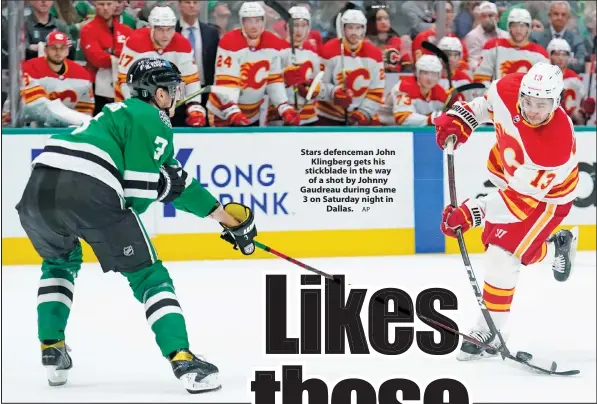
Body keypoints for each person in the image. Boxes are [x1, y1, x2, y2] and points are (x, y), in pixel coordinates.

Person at [15, 57, 258, 393]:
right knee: (148, 275)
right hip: (89, 186)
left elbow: (179, 183)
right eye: (172, 89)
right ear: (158, 94)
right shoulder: (153, 119)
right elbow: (138, 199)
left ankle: (51, 347)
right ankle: (183, 359)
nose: (176, 95)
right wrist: (165, 187)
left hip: (37, 189)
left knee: (58, 263)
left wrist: (225, 219)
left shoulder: (115, 116)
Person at [434, 62, 579, 360]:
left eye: (542, 104)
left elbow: (520, 202)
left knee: (501, 255)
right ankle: (555, 249)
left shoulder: (554, 146)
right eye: (528, 102)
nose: (533, 110)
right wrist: (462, 120)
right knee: (510, 249)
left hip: (545, 199)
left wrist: (472, 212)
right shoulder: (507, 87)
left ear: (557, 101)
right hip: (508, 176)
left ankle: (489, 329)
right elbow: (485, 106)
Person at [206, 1, 300, 127]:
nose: (254, 26)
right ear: (242, 22)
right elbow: (226, 81)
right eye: (249, 21)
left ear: (263, 21)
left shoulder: (271, 42)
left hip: (253, 113)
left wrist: (283, 106)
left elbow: (273, 80)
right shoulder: (229, 42)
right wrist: (232, 110)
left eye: (257, 20)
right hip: (223, 112)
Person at [116, 6, 207, 128]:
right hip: (136, 102)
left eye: (169, 29)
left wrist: (195, 107)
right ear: (152, 28)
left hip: (168, 103)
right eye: (160, 30)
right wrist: (139, 108)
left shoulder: (183, 45)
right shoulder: (135, 42)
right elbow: (125, 80)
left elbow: (191, 80)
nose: (166, 35)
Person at [379, 54, 447, 126]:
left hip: (406, 131)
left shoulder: (440, 92)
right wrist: (430, 119)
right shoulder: (405, 86)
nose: (430, 78)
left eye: (434, 74)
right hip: (379, 127)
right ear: (417, 73)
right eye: (425, 73)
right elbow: (403, 118)